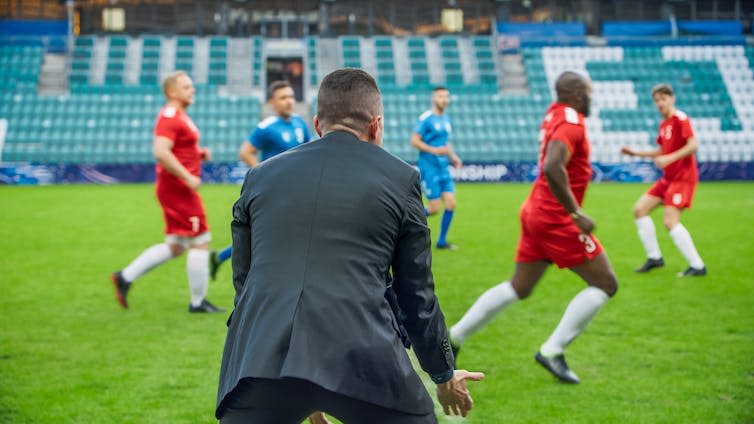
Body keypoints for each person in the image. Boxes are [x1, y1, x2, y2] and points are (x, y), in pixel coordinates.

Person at [216, 68, 484, 423]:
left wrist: (299, 369)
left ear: (316, 124)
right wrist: (443, 373)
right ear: (376, 125)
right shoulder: (401, 178)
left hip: (261, 362)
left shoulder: (259, 176)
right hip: (365, 356)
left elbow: (245, 283)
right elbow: (416, 294)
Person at [448, 71, 618, 384]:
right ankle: (552, 350)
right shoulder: (571, 121)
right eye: (589, 92)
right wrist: (575, 212)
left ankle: (453, 339)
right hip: (556, 219)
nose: (592, 98)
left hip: (536, 211)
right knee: (606, 284)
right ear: (578, 95)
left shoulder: (554, 113)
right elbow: (553, 166)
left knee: (519, 287)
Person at [110, 71, 224, 313]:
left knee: (176, 246)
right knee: (201, 240)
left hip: (176, 188)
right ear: (171, 91)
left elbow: (178, 148)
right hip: (178, 189)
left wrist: (198, 154)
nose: (192, 90)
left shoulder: (179, 116)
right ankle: (197, 303)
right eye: (186, 86)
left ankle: (125, 277)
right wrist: (188, 177)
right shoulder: (170, 116)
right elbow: (161, 152)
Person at [209, 80, 311, 280]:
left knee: (274, 233)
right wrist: (263, 175)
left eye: (291, 96)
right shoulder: (266, 127)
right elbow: (245, 152)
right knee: (268, 233)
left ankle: (221, 257)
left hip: (297, 189)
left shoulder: (300, 123)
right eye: (283, 98)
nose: (289, 101)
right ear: (272, 102)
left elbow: (307, 152)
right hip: (274, 191)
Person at [621, 83, 707, 277]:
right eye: (657, 100)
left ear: (672, 98)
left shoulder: (680, 119)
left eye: (663, 99)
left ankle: (698, 266)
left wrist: (670, 158)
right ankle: (655, 258)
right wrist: (635, 153)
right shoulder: (664, 125)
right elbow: (661, 151)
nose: (660, 103)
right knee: (639, 210)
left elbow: (693, 145)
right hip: (668, 178)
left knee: (670, 221)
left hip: (683, 178)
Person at [410, 86, 462, 250]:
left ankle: (441, 242)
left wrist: (453, 157)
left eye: (446, 96)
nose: (444, 100)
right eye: (440, 96)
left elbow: (445, 143)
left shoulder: (447, 119)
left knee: (451, 203)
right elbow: (414, 141)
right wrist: (434, 150)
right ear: (434, 98)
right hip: (429, 168)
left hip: (443, 168)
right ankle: (405, 220)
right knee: (433, 209)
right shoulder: (426, 118)